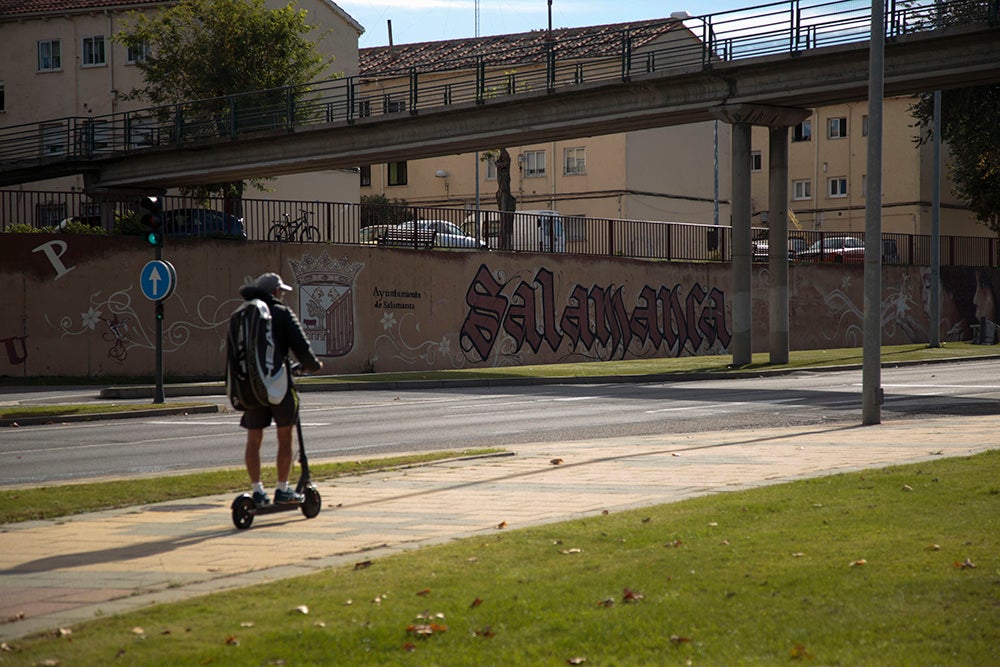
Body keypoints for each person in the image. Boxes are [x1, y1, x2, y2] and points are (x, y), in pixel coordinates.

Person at [238, 272, 323, 505]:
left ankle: (256, 490)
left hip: (252, 386)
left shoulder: (245, 313)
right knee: (285, 435)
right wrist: (313, 366)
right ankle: (283, 489)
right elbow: (301, 347)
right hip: (278, 384)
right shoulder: (281, 313)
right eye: (281, 291)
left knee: (253, 438)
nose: (283, 295)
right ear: (275, 292)